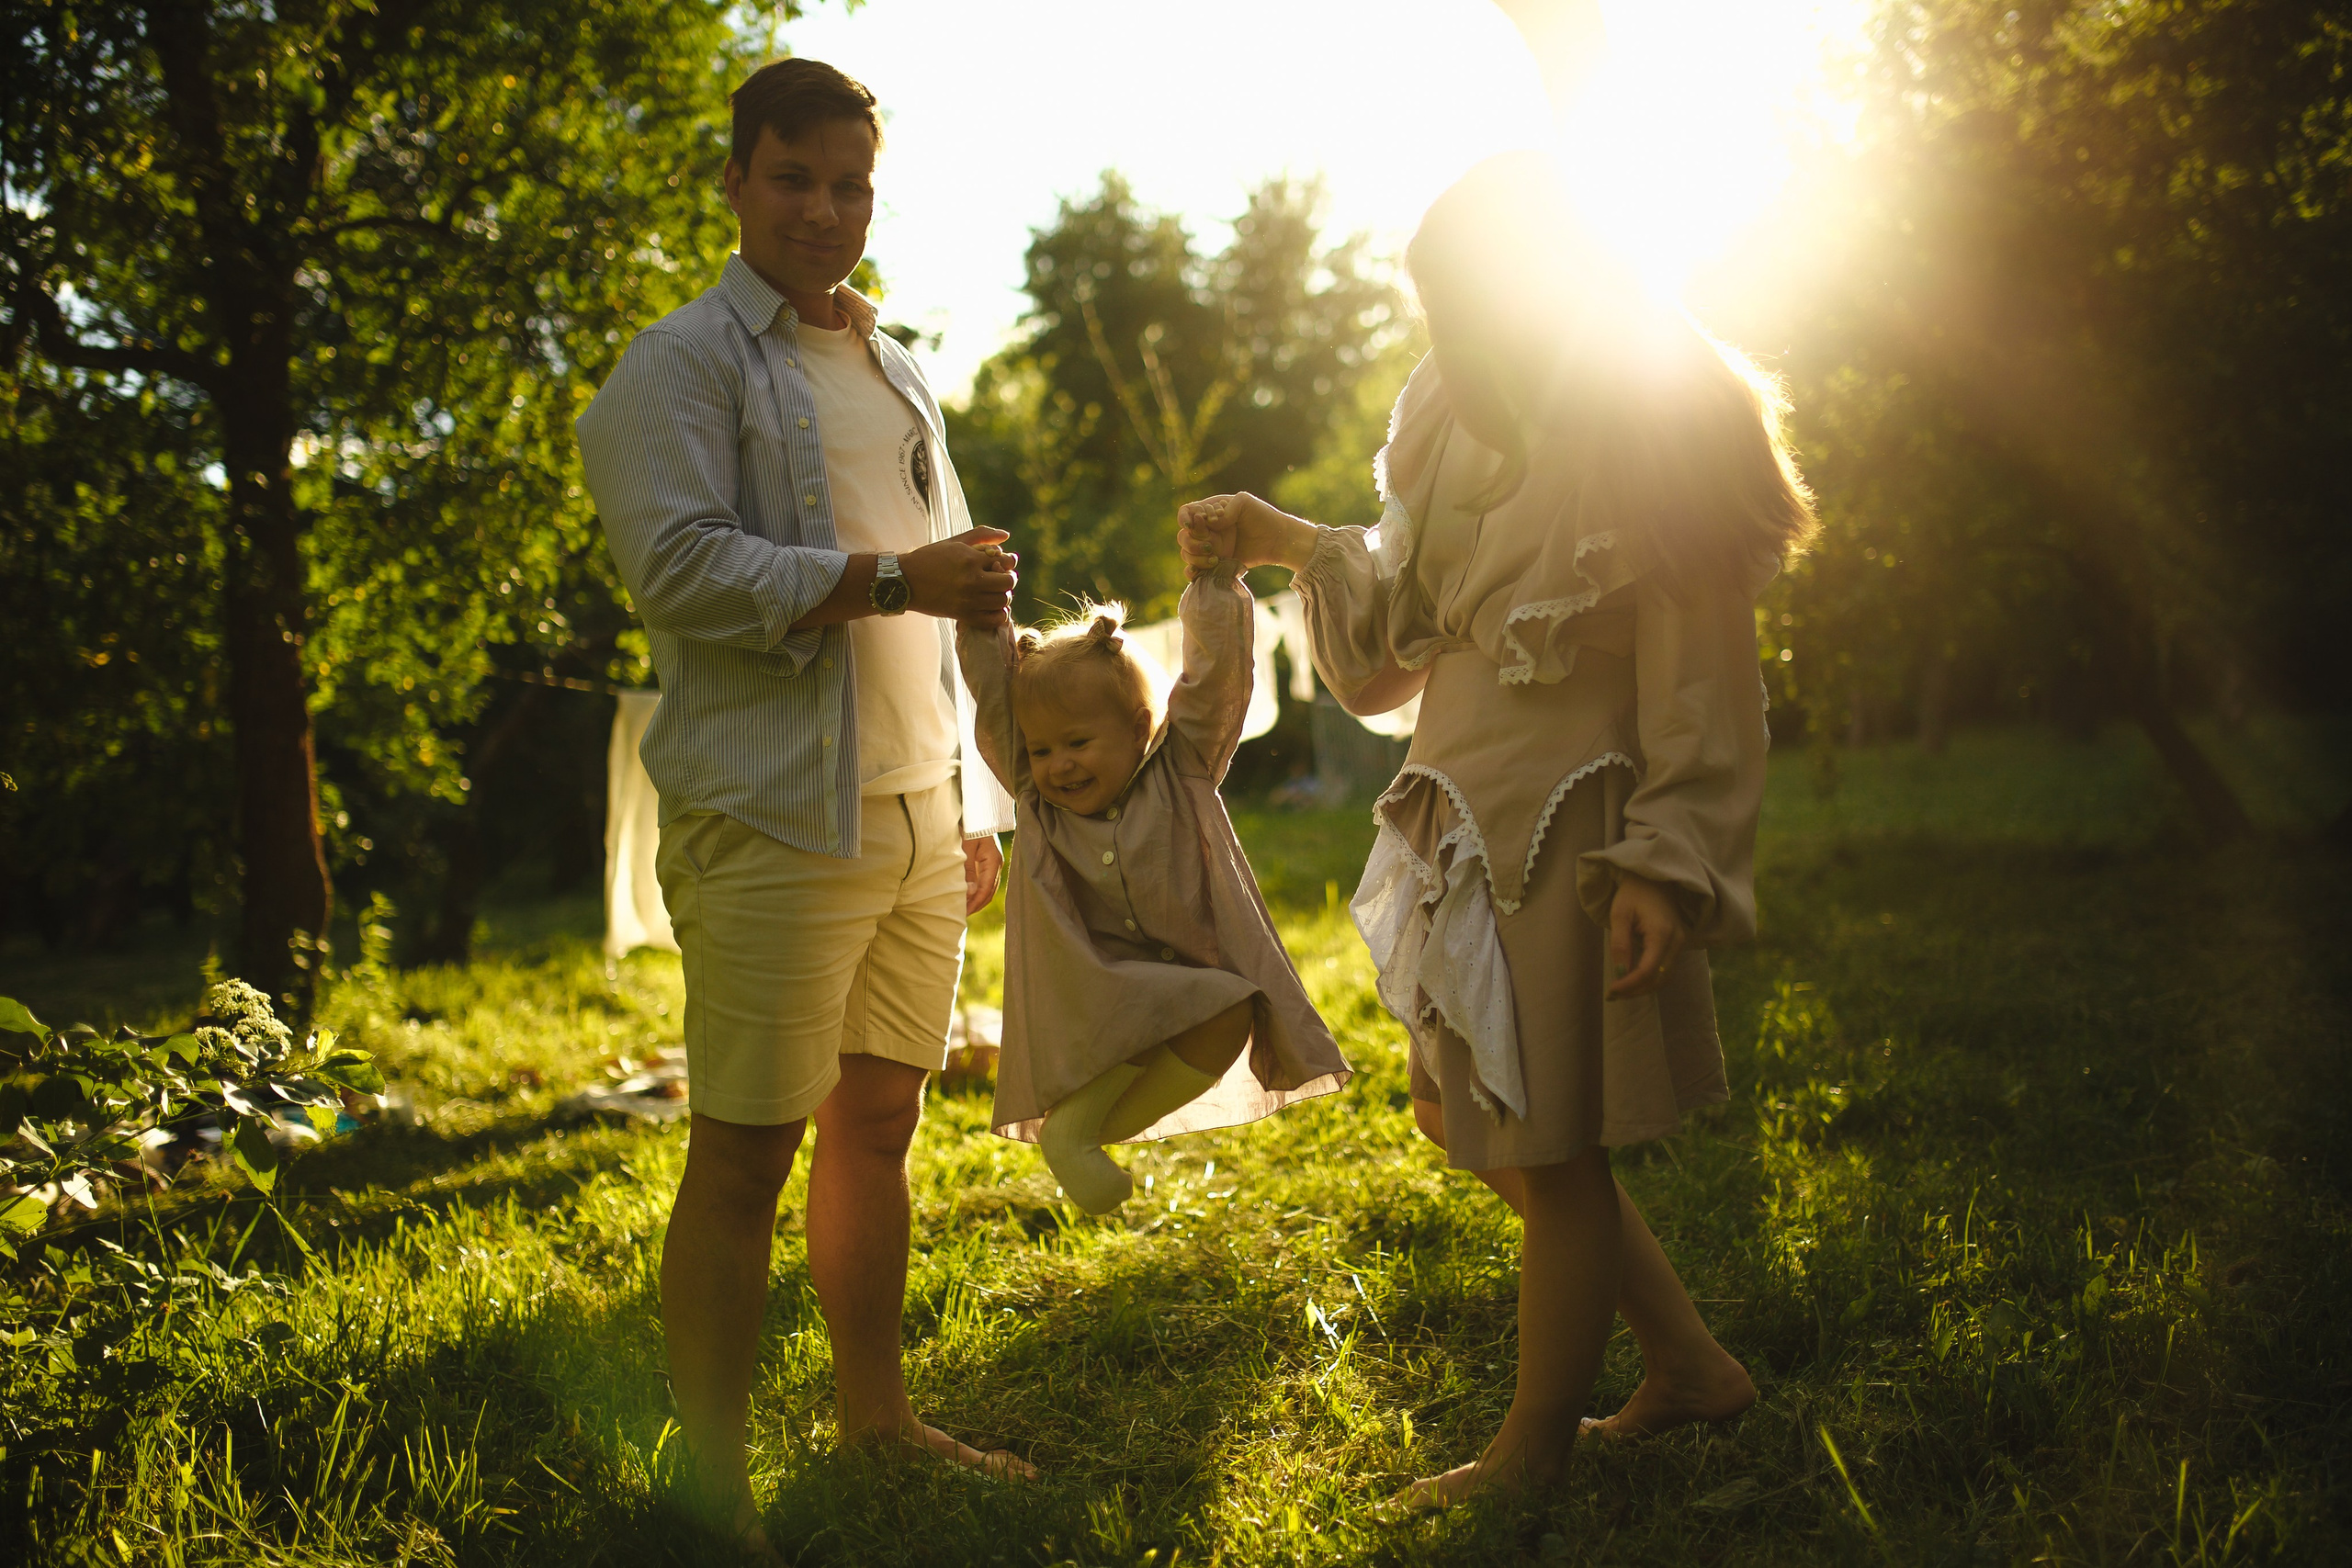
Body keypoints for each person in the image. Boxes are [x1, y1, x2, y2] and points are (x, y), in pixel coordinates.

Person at [1176, 151, 1815, 1508]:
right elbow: (1400, 638)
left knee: (1550, 1144)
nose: (1445, 343)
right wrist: (1290, 538)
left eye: (1466, 312)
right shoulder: (1451, 422)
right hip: (1459, 812)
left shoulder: (1647, 431)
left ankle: (1527, 1452)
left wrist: (1664, 857)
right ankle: (1692, 1363)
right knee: (1478, 1122)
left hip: (1568, 830)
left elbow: (1703, 686)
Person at [575, 58, 1027, 1557]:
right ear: (735, 179)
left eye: (852, 184)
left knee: (883, 1120)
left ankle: (876, 1413)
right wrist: (898, 578)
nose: (826, 210)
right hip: (772, 817)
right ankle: (714, 1488)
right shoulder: (677, 367)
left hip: (913, 814)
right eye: (795, 177)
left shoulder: (895, 367)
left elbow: (950, 578)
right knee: (746, 1148)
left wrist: (974, 796)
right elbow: (684, 569)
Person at [956, 572, 1350, 1214]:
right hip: (1088, 991)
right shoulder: (1035, 794)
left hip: (1173, 986)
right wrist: (981, 615)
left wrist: (1215, 582)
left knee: (1231, 1008)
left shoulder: (1181, 765)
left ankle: (1076, 1135)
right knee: (1188, 1013)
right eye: (1042, 748)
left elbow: (1218, 683)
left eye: (1078, 743)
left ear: (1141, 725)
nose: (1059, 764)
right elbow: (995, 702)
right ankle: (1075, 1133)